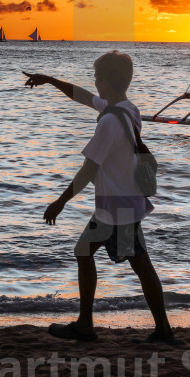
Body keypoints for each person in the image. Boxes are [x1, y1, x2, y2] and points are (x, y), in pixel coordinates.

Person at [22, 52, 177, 345]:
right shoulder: (127, 108)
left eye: (97, 77)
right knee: (127, 261)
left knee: (104, 256)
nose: (94, 82)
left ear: (106, 81)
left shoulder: (109, 124)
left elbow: (87, 170)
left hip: (116, 209)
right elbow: (82, 97)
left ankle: (88, 325)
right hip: (124, 204)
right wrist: (51, 80)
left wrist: (60, 202)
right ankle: (160, 329)